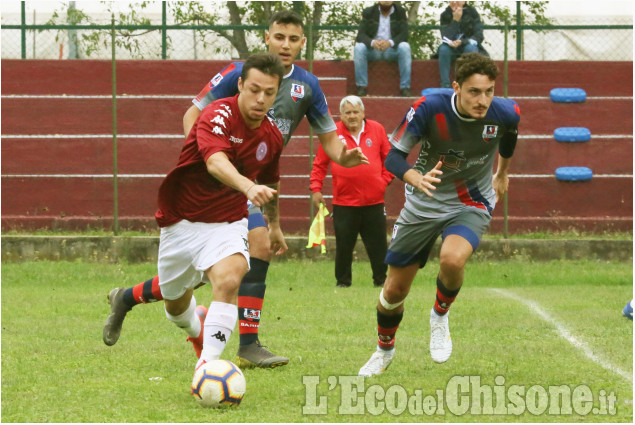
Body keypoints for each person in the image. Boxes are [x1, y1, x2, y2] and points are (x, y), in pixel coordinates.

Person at [103, 10, 369, 369]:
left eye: (293, 39)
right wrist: (208, 162)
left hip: (246, 190)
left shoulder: (308, 86)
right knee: (180, 291)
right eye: (279, 37)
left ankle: (244, 346)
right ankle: (130, 298)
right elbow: (192, 117)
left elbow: (330, 146)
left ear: (303, 43)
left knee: (245, 259)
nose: (286, 45)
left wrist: (345, 159)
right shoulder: (239, 73)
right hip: (210, 188)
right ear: (266, 37)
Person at [358, 52, 520, 377]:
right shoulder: (429, 107)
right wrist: (414, 177)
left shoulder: (506, 112)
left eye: (489, 91)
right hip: (424, 200)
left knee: (452, 260)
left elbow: (509, 139)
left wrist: (502, 173)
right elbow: (392, 156)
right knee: (393, 291)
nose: (483, 100)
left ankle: (439, 315)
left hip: (471, 201)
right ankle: (383, 350)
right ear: (456, 87)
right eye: (474, 92)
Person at [156, 52, 284, 373]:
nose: (260, 99)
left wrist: (275, 225)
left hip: (227, 218)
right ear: (239, 84)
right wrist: (247, 186)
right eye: (254, 89)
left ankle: (207, 368)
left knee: (230, 278)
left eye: (269, 93)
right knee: (174, 305)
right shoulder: (217, 113)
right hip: (181, 219)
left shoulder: (272, 136)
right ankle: (194, 324)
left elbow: (270, 182)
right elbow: (215, 162)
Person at [310, 95, 393, 288]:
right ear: (341, 116)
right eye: (348, 112)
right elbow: (319, 164)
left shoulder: (377, 129)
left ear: (363, 113)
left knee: (378, 246)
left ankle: (381, 281)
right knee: (344, 246)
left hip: (374, 202)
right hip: (344, 203)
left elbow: (389, 159)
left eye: (356, 112)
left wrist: (383, 182)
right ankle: (343, 283)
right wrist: (316, 189)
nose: (352, 116)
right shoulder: (332, 134)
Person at [354, 1, 412, 97]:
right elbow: (360, 35)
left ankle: (405, 88)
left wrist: (390, 43)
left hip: (391, 50)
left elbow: (404, 34)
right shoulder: (369, 12)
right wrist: (372, 43)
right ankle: (361, 87)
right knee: (359, 48)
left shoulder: (400, 12)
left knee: (405, 47)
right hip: (374, 50)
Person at [437, 1, 488, 88]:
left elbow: (478, 36)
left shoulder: (472, 13)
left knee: (470, 48)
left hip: (467, 45)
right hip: (452, 48)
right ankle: (445, 84)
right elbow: (445, 37)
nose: (455, 2)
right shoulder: (445, 15)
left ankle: (469, 83)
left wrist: (463, 41)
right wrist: (455, 20)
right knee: (443, 49)